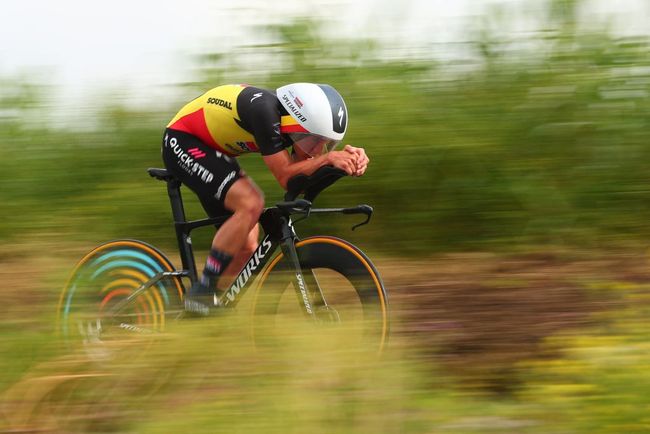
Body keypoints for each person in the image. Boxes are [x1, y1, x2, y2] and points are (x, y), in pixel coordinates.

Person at [161, 83, 369, 315]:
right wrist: (329, 158)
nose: (317, 150)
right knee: (251, 203)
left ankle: (206, 310)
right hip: (182, 140)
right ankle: (203, 290)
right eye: (315, 141)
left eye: (327, 144)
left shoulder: (288, 122)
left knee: (248, 244)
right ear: (297, 124)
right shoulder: (265, 112)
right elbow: (285, 176)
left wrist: (346, 163)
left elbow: (300, 182)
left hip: (212, 149)